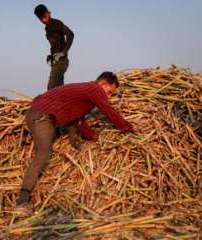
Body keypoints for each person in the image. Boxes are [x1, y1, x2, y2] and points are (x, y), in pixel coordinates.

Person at [13, 71, 134, 215]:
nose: (108, 97)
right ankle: (21, 202)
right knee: (42, 155)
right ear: (102, 84)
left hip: (40, 114)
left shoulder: (85, 93)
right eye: (109, 92)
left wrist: (94, 137)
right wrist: (127, 128)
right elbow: (108, 111)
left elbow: (77, 120)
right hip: (41, 115)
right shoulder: (94, 89)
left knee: (45, 152)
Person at [34, 4, 74, 90]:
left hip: (61, 61)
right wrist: (51, 56)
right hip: (55, 61)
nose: (44, 20)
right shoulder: (47, 28)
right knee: (59, 90)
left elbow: (70, 34)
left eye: (45, 16)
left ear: (49, 13)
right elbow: (56, 44)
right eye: (41, 18)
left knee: (51, 88)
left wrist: (64, 52)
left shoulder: (56, 23)